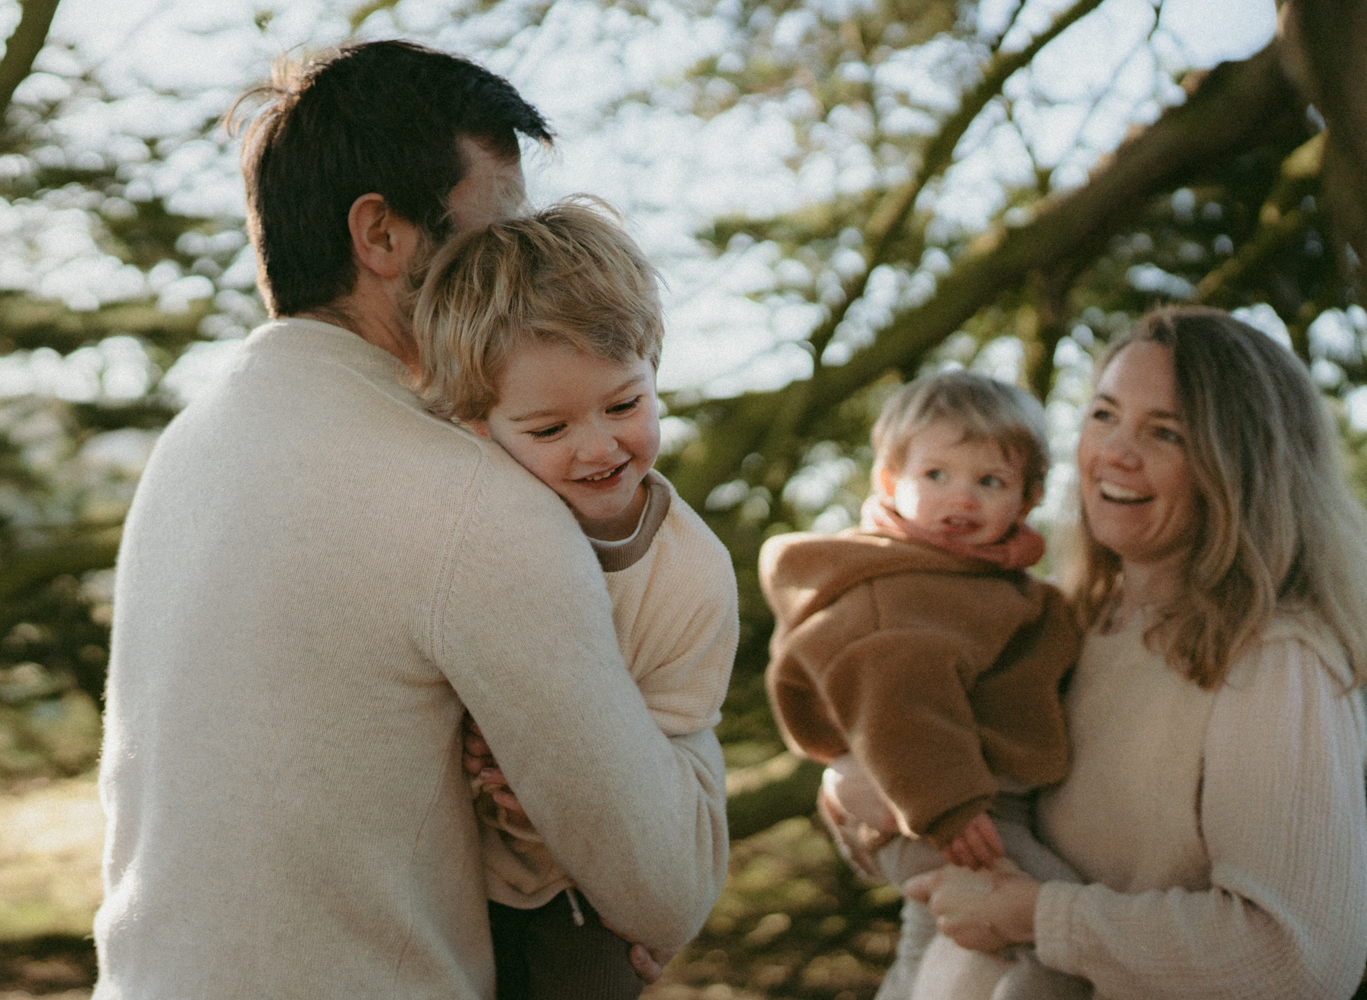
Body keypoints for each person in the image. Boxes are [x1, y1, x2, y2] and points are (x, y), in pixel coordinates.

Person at [92, 41, 729, 1000]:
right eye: (493, 237)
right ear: (381, 236)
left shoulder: (191, 448)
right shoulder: (470, 497)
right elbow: (667, 887)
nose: (522, 269)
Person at [889, 307, 1367, 1000]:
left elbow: (1295, 958)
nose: (1114, 452)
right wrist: (863, 791)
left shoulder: (1276, 661)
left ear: (1239, 467)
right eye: (1104, 414)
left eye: (1165, 432)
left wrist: (1033, 914)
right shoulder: (1059, 620)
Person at [411, 200, 738, 1000]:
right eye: (550, 429)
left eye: (624, 406)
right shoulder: (460, 528)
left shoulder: (689, 577)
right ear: (480, 427)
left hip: (577, 900)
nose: (598, 448)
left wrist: (560, 793)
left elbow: (672, 757)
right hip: (440, 876)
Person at [759, 370, 1087, 1000]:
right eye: (936, 476)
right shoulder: (901, 583)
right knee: (1058, 939)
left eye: (988, 481)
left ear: (1027, 498)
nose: (960, 499)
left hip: (957, 805)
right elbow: (892, 685)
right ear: (890, 482)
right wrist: (947, 804)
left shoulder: (983, 583)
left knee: (920, 950)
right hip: (951, 812)